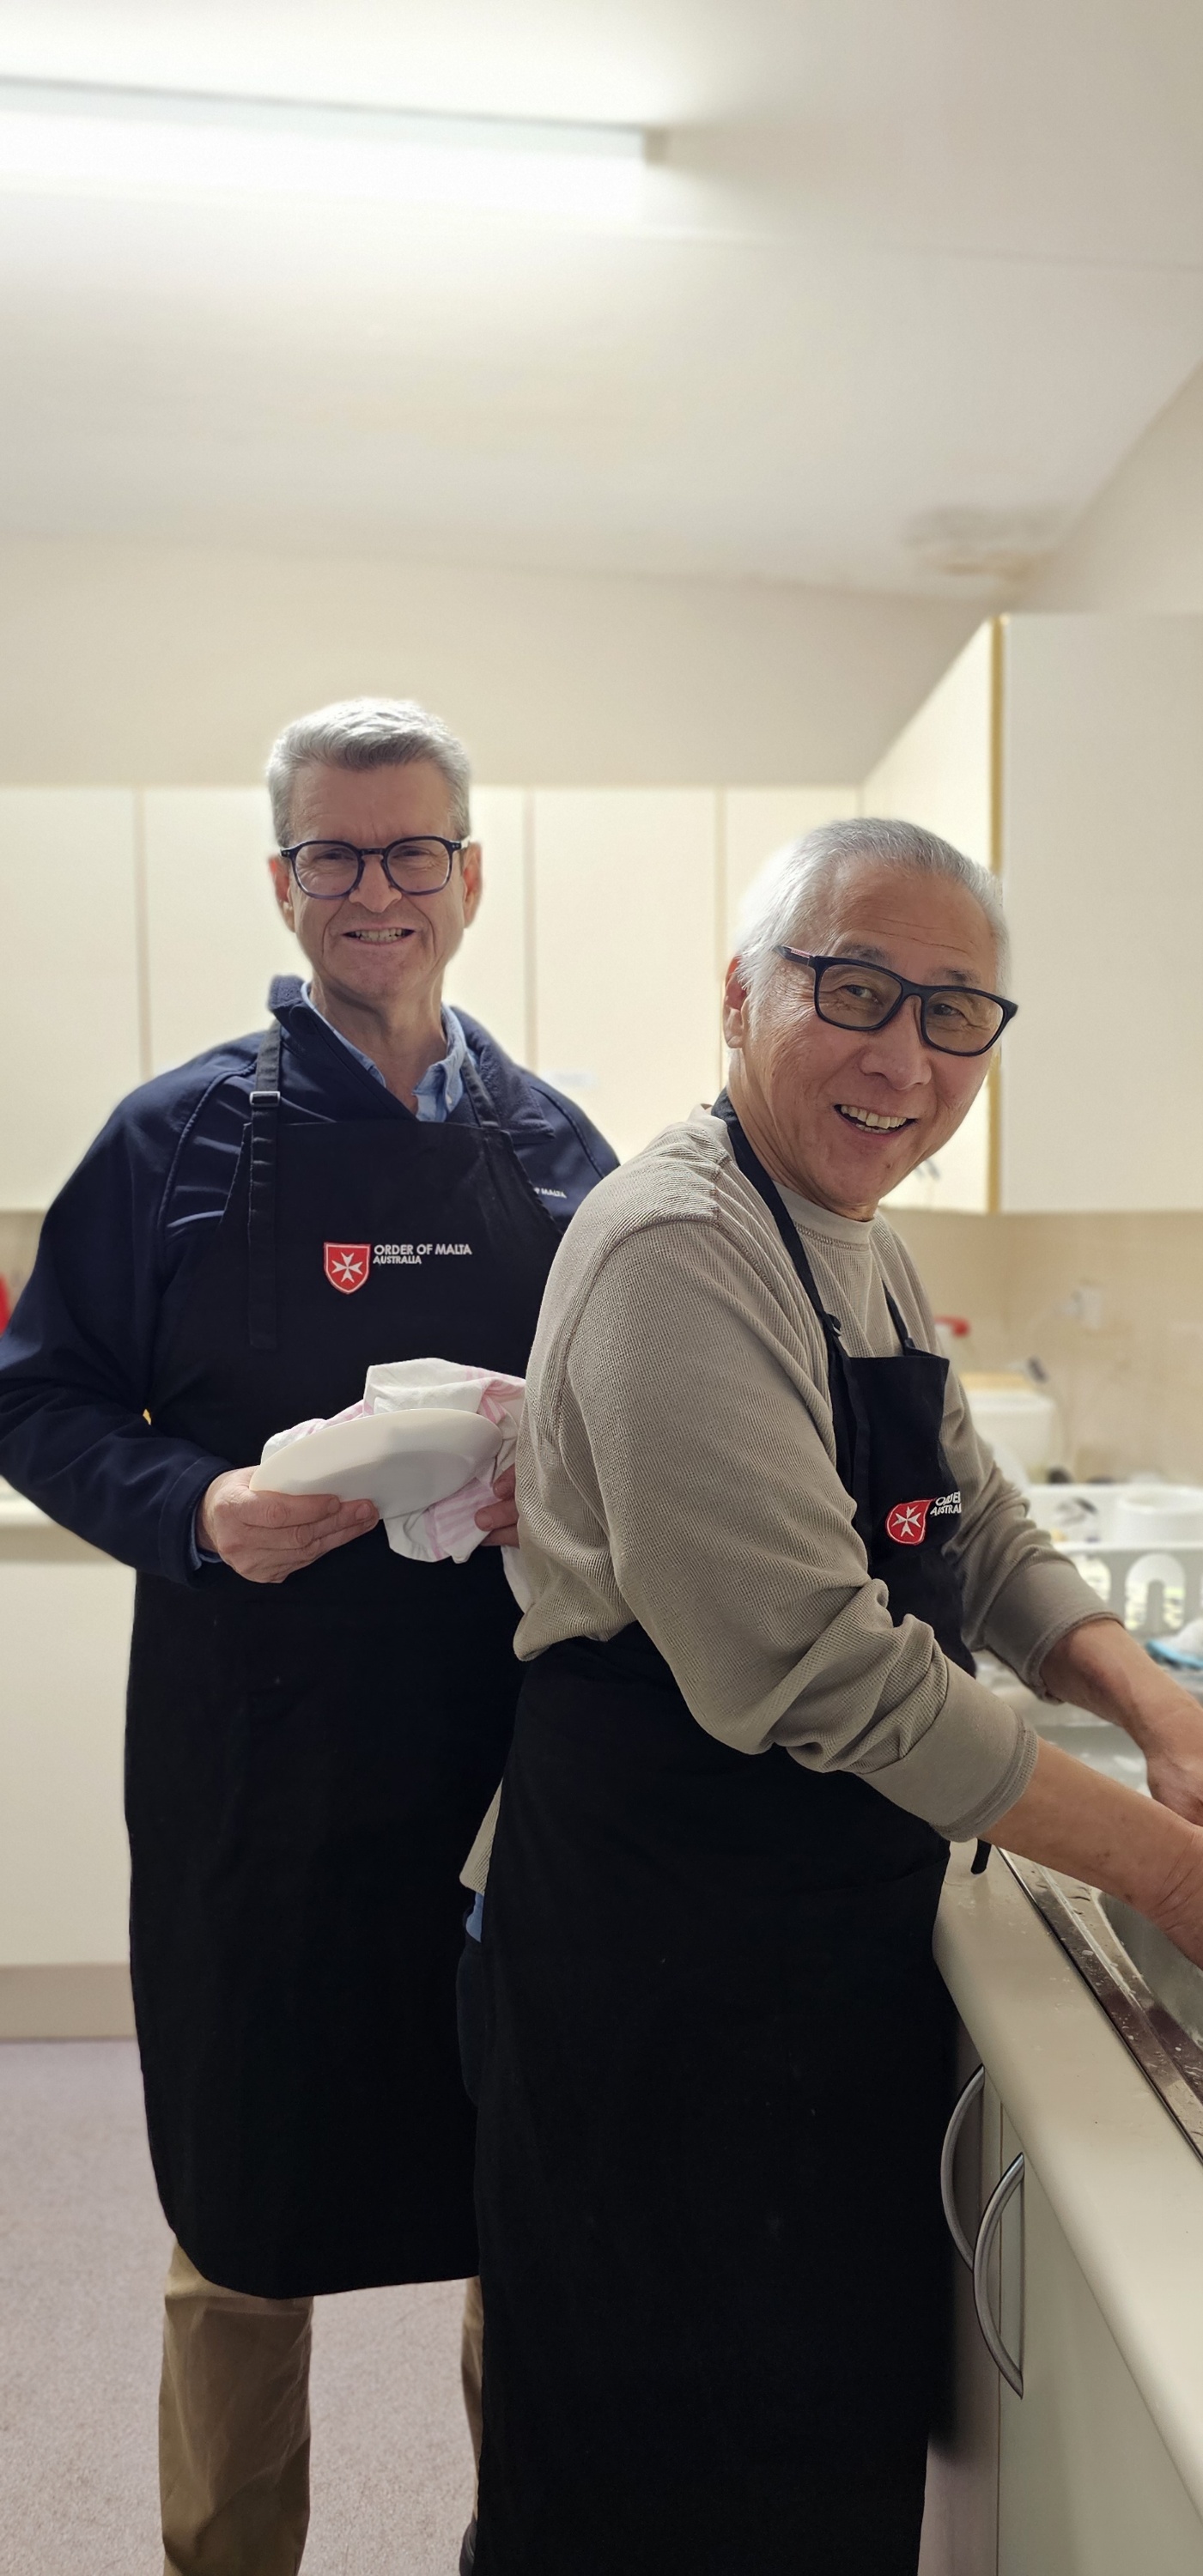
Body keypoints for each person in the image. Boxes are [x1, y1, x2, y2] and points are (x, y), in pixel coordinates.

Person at [466, 817, 1203, 2576]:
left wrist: (1156, 1714)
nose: (903, 1056)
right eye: (854, 989)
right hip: (654, 1962)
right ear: (740, 996)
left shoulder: (849, 1233)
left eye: (953, 1013)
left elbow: (977, 1527)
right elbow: (822, 1667)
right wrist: (1166, 1870)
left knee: (802, 2468)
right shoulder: (676, 1246)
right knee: (647, 2478)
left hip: (801, 1940)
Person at [0, 697, 617, 2576]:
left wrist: (556, 1481)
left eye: (410, 850)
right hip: (251, 1769)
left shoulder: (556, 1150)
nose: (376, 890)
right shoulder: (171, 1141)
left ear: (469, 875)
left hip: (505, 1771)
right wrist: (197, 1511)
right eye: (333, 855)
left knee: (522, 2197)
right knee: (240, 2218)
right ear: (282, 882)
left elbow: (622, 1417)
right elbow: (38, 1398)